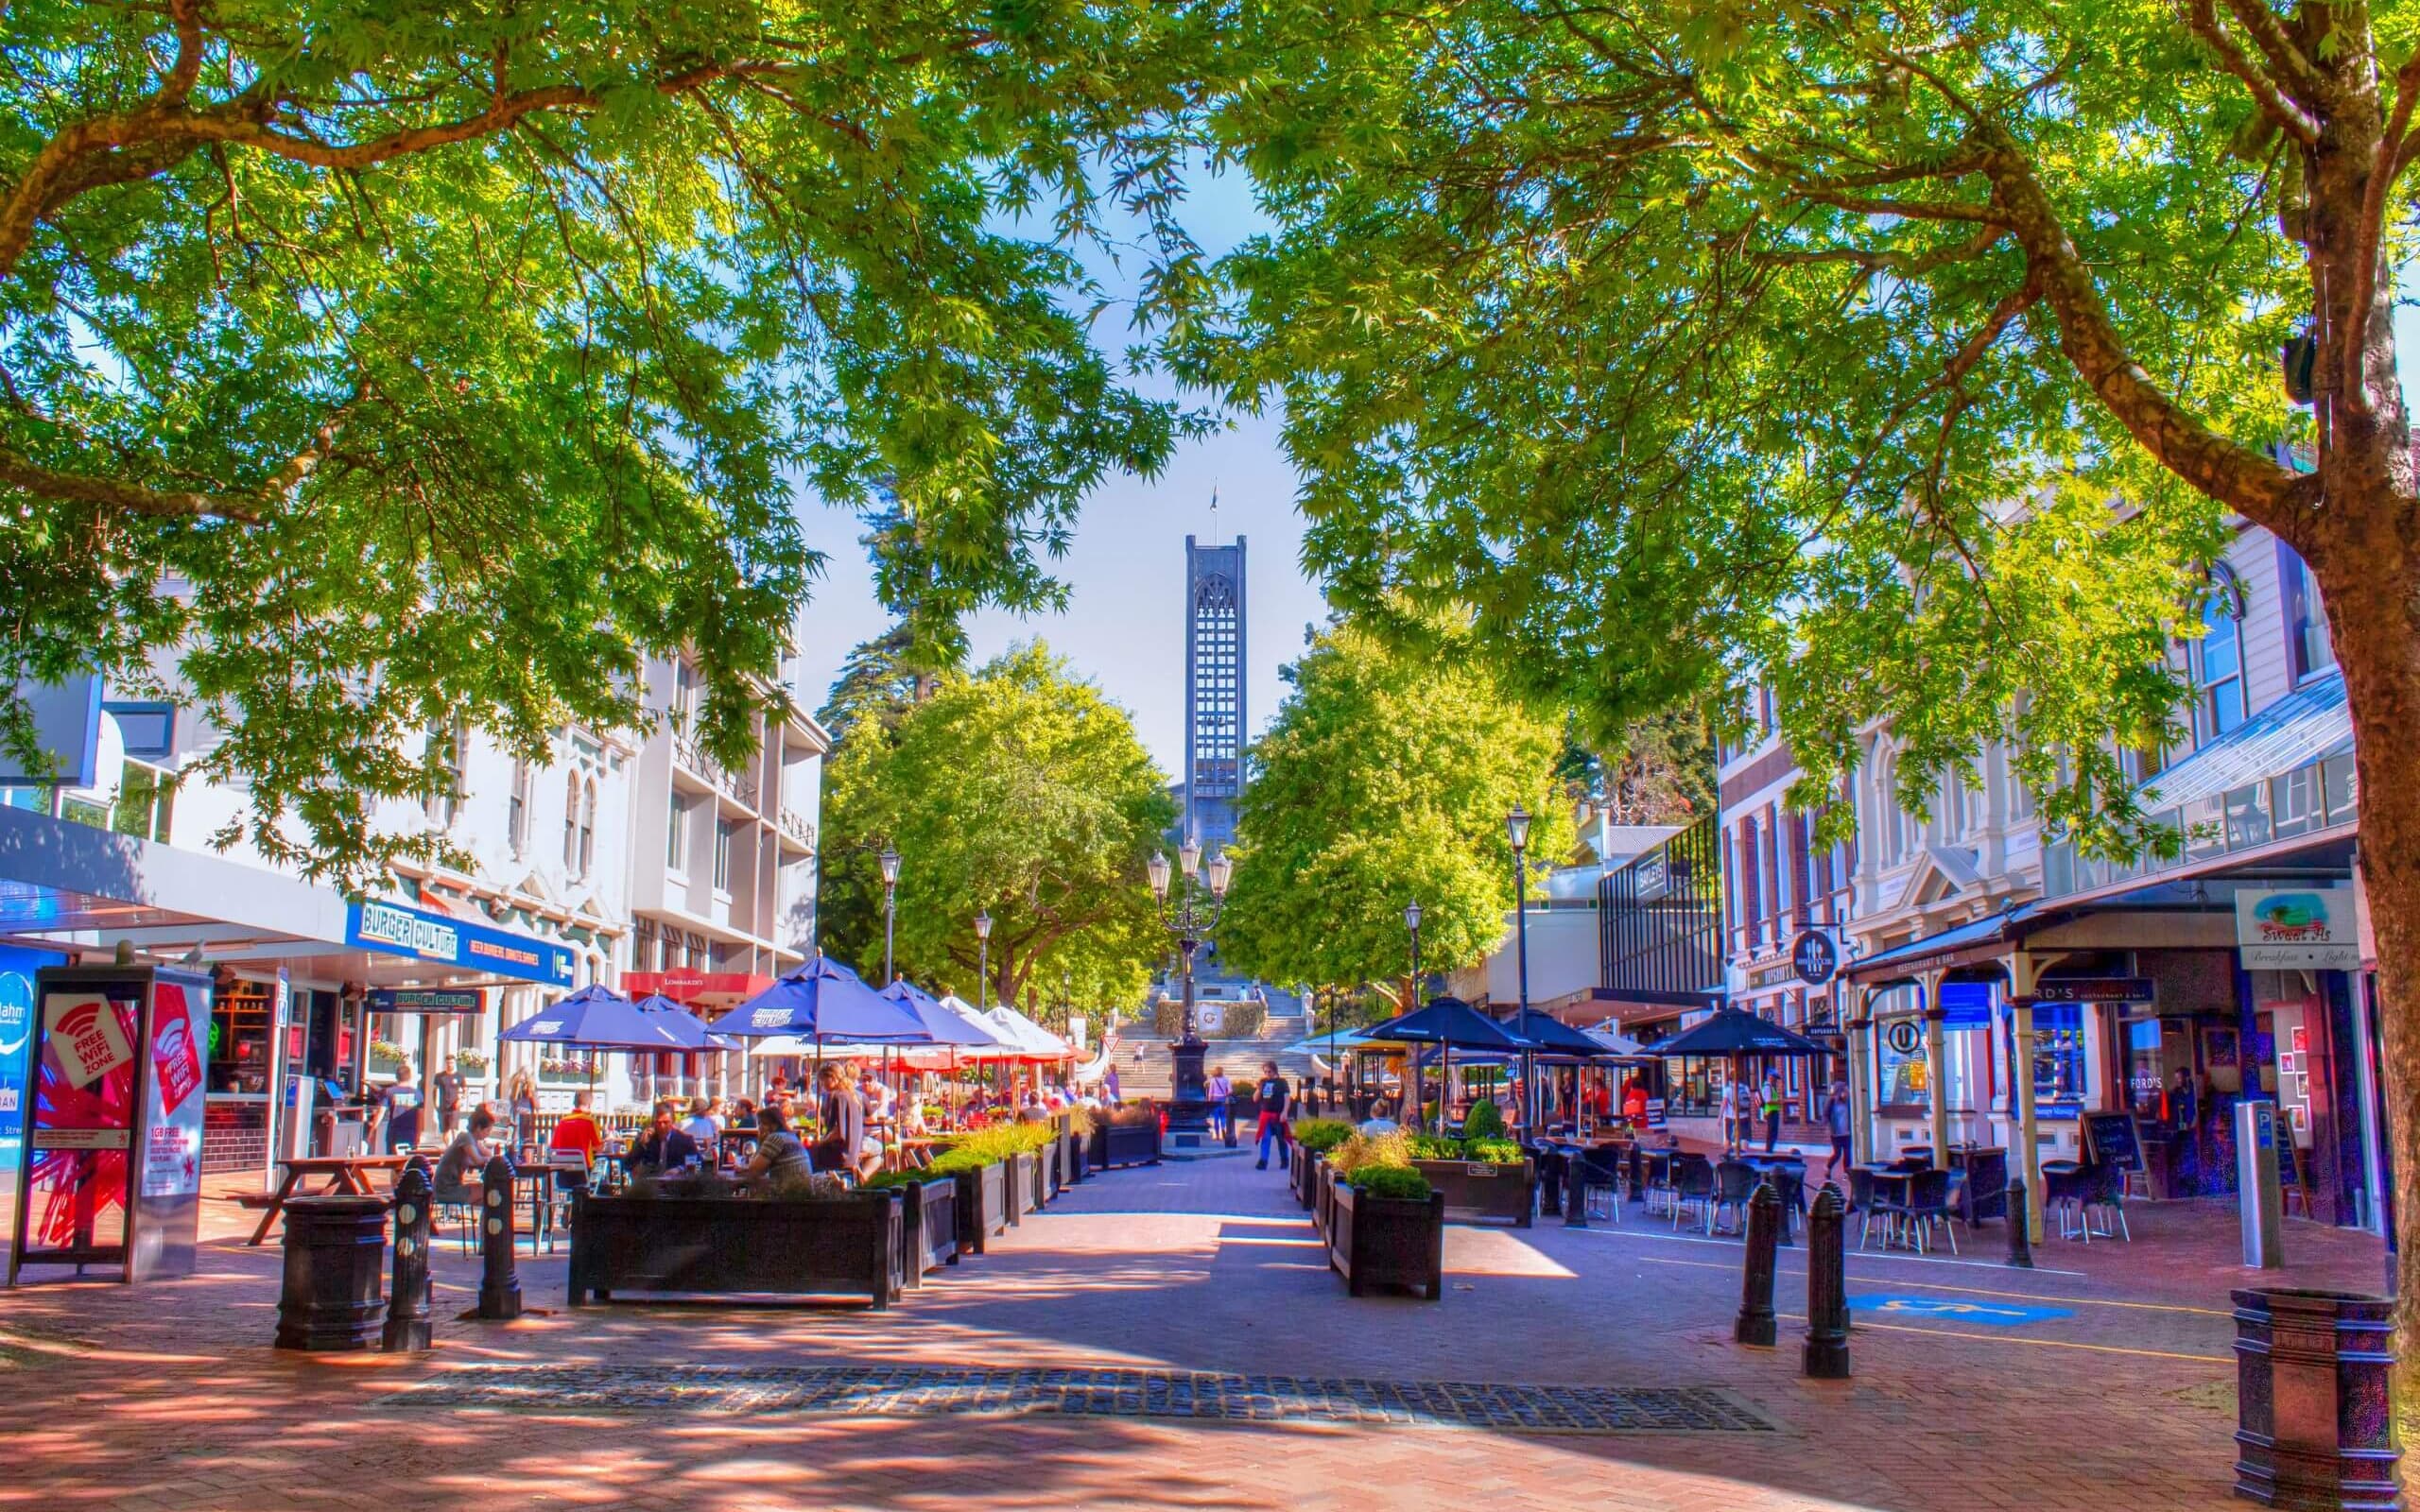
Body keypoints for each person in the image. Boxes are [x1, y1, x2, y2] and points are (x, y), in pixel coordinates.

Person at [433, 1104, 499, 1205]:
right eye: (487, 1130)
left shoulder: (473, 1140)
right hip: (446, 1190)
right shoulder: (466, 1138)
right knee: (490, 1191)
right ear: (478, 1128)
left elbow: (488, 1154)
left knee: (489, 1195)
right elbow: (478, 1159)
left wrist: (485, 1153)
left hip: (452, 1187)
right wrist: (489, 1159)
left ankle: (486, 1220)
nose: (488, 1134)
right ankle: (489, 1220)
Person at [813, 1063, 868, 1177]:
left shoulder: (839, 1096)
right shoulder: (853, 1095)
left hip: (841, 1156)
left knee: (809, 1156)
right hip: (853, 1154)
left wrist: (821, 1141)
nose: (822, 1085)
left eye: (823, 1080)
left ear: (832, 1078)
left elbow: (838, 1132)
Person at [741, 1102, 814, 1185]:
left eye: (763, 1123)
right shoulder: (792, 1136)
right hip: (804, 1192)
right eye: (759, 1123)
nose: (760, 1127)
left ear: (775, 1124)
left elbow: (754, 1171)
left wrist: (761, 1141)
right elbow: (761, 1169)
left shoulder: (775, 1138)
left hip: (788, 1194)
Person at [629, 1098, 701, 1172]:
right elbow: (627, 1164)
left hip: (675, 1181)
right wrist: (641, 1145)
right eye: (658, 1122)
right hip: (650, 1181)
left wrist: (679, 1169)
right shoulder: (647, 1139)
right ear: (654, 1122)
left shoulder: (684, 1140)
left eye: (666, 1122)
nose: (662, 1126)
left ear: (673, 1121)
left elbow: (698, 1161)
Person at [548, 1091, 606, 1168]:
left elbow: (553, 1148)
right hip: (583, 1170)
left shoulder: (562, 1122)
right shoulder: (590, 1122)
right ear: (589, 1104)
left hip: (563, 1171)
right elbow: (599, 1148)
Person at [1253, 1060, 1291, 1170]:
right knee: (1266, 1138)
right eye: (1265, 1072)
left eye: (1269, 1071)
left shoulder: (1282, 1082)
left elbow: (1287, 1098)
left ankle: (1284, 1160)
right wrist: (1258, 1088)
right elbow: (1255, 1099)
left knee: (1281, 1139)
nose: (1267, 1074)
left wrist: (1285, 1112)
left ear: (1274, 1070)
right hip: (1266, 1115)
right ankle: (1263, 1161)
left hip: (1278, 1115)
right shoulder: (1264, 1082)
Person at [384, 1062, 424, 1152]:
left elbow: (381, 1112)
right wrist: (418, 1135)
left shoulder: (389, 1092)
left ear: (397, 1077)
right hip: (410, 1133)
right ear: (410, 1077)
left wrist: (372, 1131)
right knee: (408, 1160)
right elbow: (420, 1116)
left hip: (394, 1132)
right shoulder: (417, 1094)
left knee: (393, 1160)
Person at [1822, 1080, 1854, 1181]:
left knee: (1848, 1153)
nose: (1846, 1092)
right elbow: (1825, 1115)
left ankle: (1846, 1173)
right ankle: (1828, 1167)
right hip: (1836, 1132)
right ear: (1839, 1091)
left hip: (1847, 1131)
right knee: (1837, 1154)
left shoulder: (1848, 1102)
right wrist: (1825, 1124)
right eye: (1844, 1090)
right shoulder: (1831, 1102)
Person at [507, 1069, 539, 1149]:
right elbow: (536, 1105)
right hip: (526, 1118)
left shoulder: (515, 1090)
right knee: (525, 1136)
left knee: (515, 1133)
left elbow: (513, 1103)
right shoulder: (530, 1091)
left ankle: (515, 1149)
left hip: (515, 1117)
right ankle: (523, 1151)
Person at [432, 1056, 463, 1138]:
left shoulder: (459, 1076)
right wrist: (435, 1103)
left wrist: (461, 1100)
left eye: (452, 1063)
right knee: (445, 1130)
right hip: (443, 1106)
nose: (450, 1065)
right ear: (446, 1063)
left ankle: (454, 1147)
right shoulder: (439, 1076)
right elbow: (435, 1090)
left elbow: (465, 1090)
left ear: (455, 1063)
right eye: (448, 1063)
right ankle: (448, 1148)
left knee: (453, 1129)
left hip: (454, 1107)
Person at [1204, 1066, 1232, 1142]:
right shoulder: (1226, 1080)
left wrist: (1209, 1101)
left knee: (1216, 1118)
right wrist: (1226, 1095)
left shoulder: (1213, 1080)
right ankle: (1223, 1128)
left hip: (1215, 1100)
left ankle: (1217, 1135)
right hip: (1223, 1099)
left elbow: (1210, 1092)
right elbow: (1230, 1091)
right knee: (1223, 1116)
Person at [1762, 1072, 1785, 1153]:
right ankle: (1768, 1151)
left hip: (1773, 1112)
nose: (1776, 1081)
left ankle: (1770, 1150)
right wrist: (1778, 1102)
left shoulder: (1771, 1087)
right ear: (1770, 1077)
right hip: (1771, 1112)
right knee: (1771, 1132)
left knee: (1773, 1132)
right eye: (1775, 1079)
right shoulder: (1768, 1087)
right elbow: (1768, 1101)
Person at [1717, 1076, 1741, 1153]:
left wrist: (1720, 1117)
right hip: (1740, 1116)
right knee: (1739, 1136)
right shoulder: (1743, 1088)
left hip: (1730, 1116)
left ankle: (1728, 1153)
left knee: (1728, 1136)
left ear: (1730, 1080)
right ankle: (1739, 1152)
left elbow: (1724, 1103)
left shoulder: (1727, 1090)